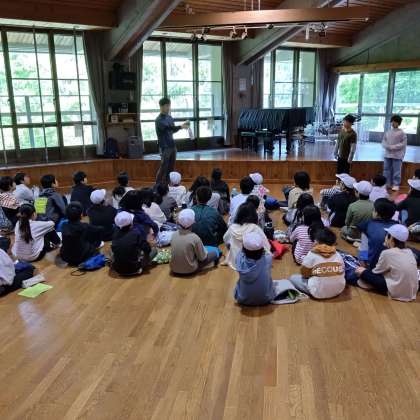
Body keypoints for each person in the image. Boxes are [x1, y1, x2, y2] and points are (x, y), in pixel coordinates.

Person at [355, 225, 418, 301]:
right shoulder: (409, 252)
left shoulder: (367, 226)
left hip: (394, 290)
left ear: (391, 238)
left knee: (360, 271)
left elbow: (364, 250)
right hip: (411, 292)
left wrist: (363, 270)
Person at [290, 228, 345, 299]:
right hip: (338, 290)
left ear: (317, 242)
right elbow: (342, 272)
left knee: (293, 277)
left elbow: (304, 273)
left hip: (318, 293)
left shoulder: (312, 254)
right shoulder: (338, 255)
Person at [170, 209, 219, 275]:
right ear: (193, 223)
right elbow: (202, 258)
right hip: (190, 269)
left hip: (174, 269)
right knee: (214, 253)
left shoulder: (173, 235)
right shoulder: (195, 237)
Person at [223, 202, 271, 270]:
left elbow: (225, 239)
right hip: (253, 263)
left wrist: (231, 246)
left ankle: (229, 259)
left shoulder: (232, 227)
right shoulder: (255, 228)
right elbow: (267, 246)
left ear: (239, 215)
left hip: (235, 263)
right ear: (254, 215)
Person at [234, 231, 276, 306]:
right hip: (266, 299)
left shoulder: (239, 259)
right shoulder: (268, 258)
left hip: (243, 299)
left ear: (244, 248)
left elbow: (240, 253)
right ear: (262, 248)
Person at [155, 97, 189, 183]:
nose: (168, 108)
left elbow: (173, 130)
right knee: (163, 167)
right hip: (164, 147)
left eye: (169, 106)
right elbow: (168, 128)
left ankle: (167, 185)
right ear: (161, 106)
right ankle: (157, 185)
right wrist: (181, 126)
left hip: (172, 145)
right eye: (166, 106)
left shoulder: (169, 117)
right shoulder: (158, 120)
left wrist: (181, 126)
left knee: (171, 167)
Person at [111, 211, 155, 276]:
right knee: (154, 251)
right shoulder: (136, 233)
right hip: (135, 268)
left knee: (113, 252)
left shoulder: (115, 234)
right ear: (131, 223)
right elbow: (147, 249)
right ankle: (141, 266)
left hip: (118, 270)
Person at [60, 202, 103, 266]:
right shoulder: (84, 226)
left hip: (66, 257)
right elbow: (98, 231)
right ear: (81, 215)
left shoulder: (64, 225)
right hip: (81, 258)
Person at [358, 198, 397, 268]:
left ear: (376, 213)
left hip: (371, 265)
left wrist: (363, 266)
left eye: (373, 210)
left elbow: (364, 248)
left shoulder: (368, 225)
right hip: (391, 266)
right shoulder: (397, 226)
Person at [382, 115, 407, 191]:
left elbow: (403, 144)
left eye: (395, 122)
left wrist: (392, 147)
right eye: (392, 121)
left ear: (398, 123)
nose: (393, 123)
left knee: (397, 171)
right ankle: (386, 183)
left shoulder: (402, 133)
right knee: (386, 170)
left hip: (397, 155)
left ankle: (396, 184)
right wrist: (386, 146)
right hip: (387, 154)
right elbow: (383, 141)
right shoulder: (388, 132)